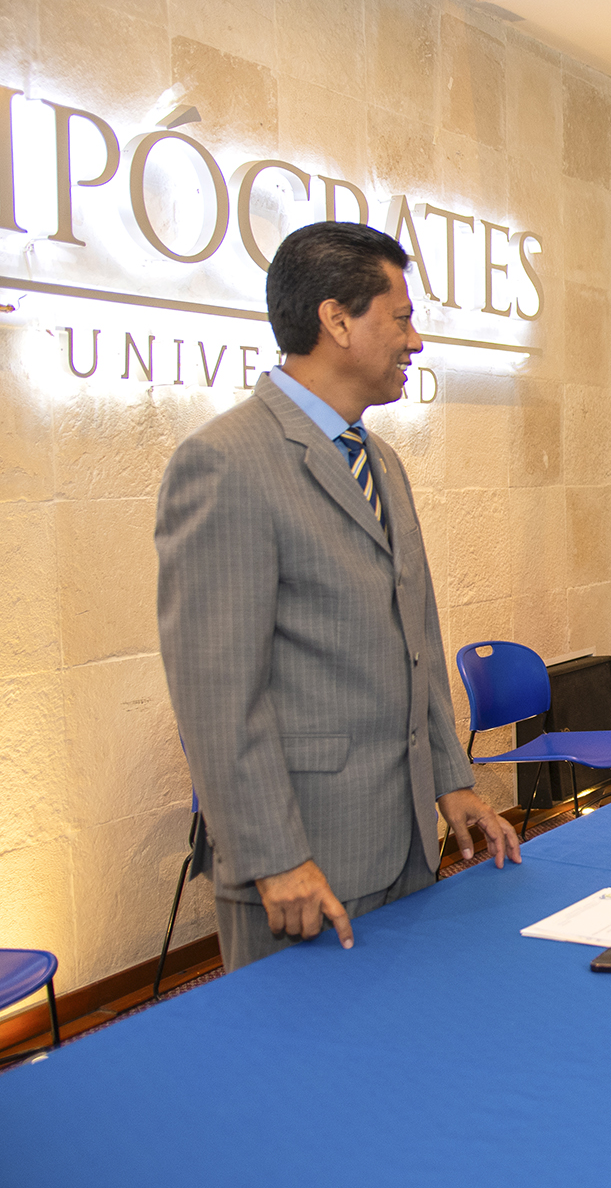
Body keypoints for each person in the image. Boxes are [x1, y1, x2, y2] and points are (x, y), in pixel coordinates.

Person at [155, 222, 519, 973]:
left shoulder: (380, 458)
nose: (416, 340)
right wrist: (274, 855)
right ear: (337, 320)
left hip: (405, 839)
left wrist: (451, 780)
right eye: (402, 318)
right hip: (303, 864)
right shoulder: (224, 462)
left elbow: (416, 638)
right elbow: (218, 695)